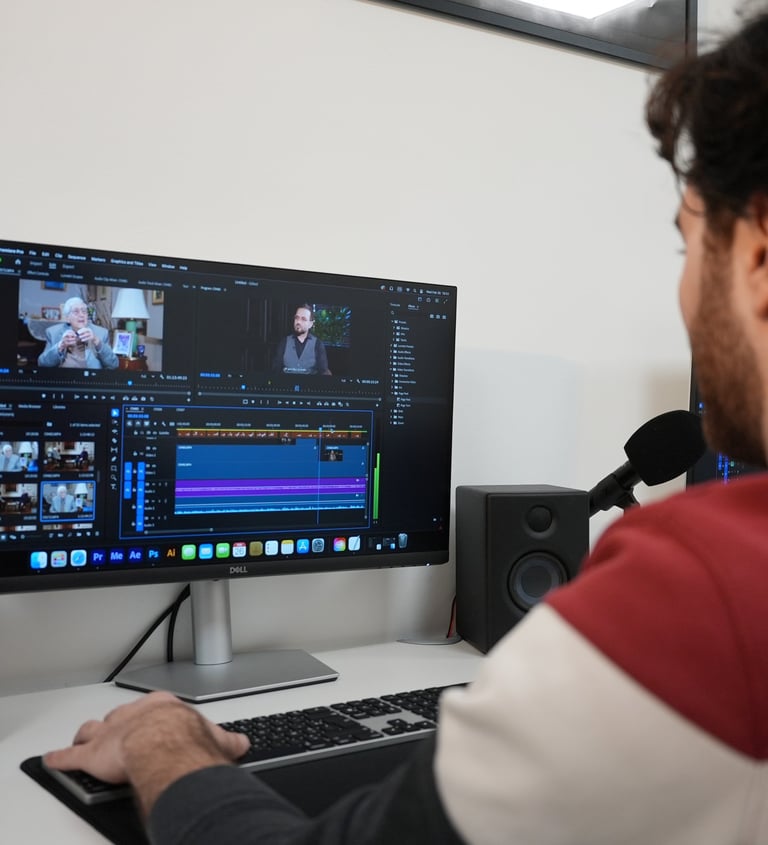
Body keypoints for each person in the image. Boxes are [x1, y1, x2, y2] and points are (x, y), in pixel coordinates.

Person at [44, 12, 768, 843]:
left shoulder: (703, 584)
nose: (684, 294)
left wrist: (162, 739)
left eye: (688, 247)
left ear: (755, 255)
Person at [38, 297, 119, 369]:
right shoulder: (53, 332)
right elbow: (42, 363)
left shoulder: (101, 333)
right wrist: (61, 345)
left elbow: (113, 364)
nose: (81, 315)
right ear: (67, 318)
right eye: (76, 312)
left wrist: (97, 341)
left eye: (84, 311)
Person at [272, 304, 332, 375]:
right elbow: (275, 370)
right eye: (296, 318)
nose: (298, 322)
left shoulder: (318, 344)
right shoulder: (284, 342)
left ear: (310, 324)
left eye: (303, 319)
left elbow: (324, 372)